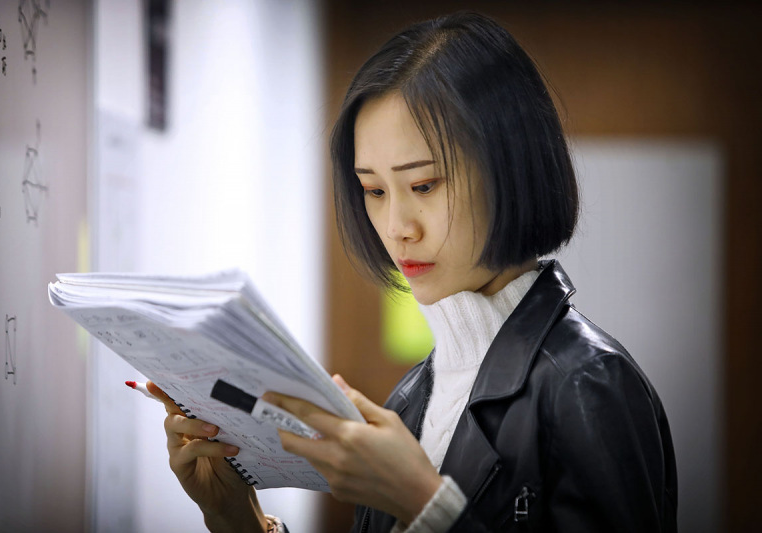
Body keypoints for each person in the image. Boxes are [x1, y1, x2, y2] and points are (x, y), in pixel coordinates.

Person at [148, 11, 677, 533]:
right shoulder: (411, 396)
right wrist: (241, 521)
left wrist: (425, 504)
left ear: (510, 169)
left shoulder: (588, 382)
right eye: (374, 191)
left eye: (423, 185)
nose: (396, 227)